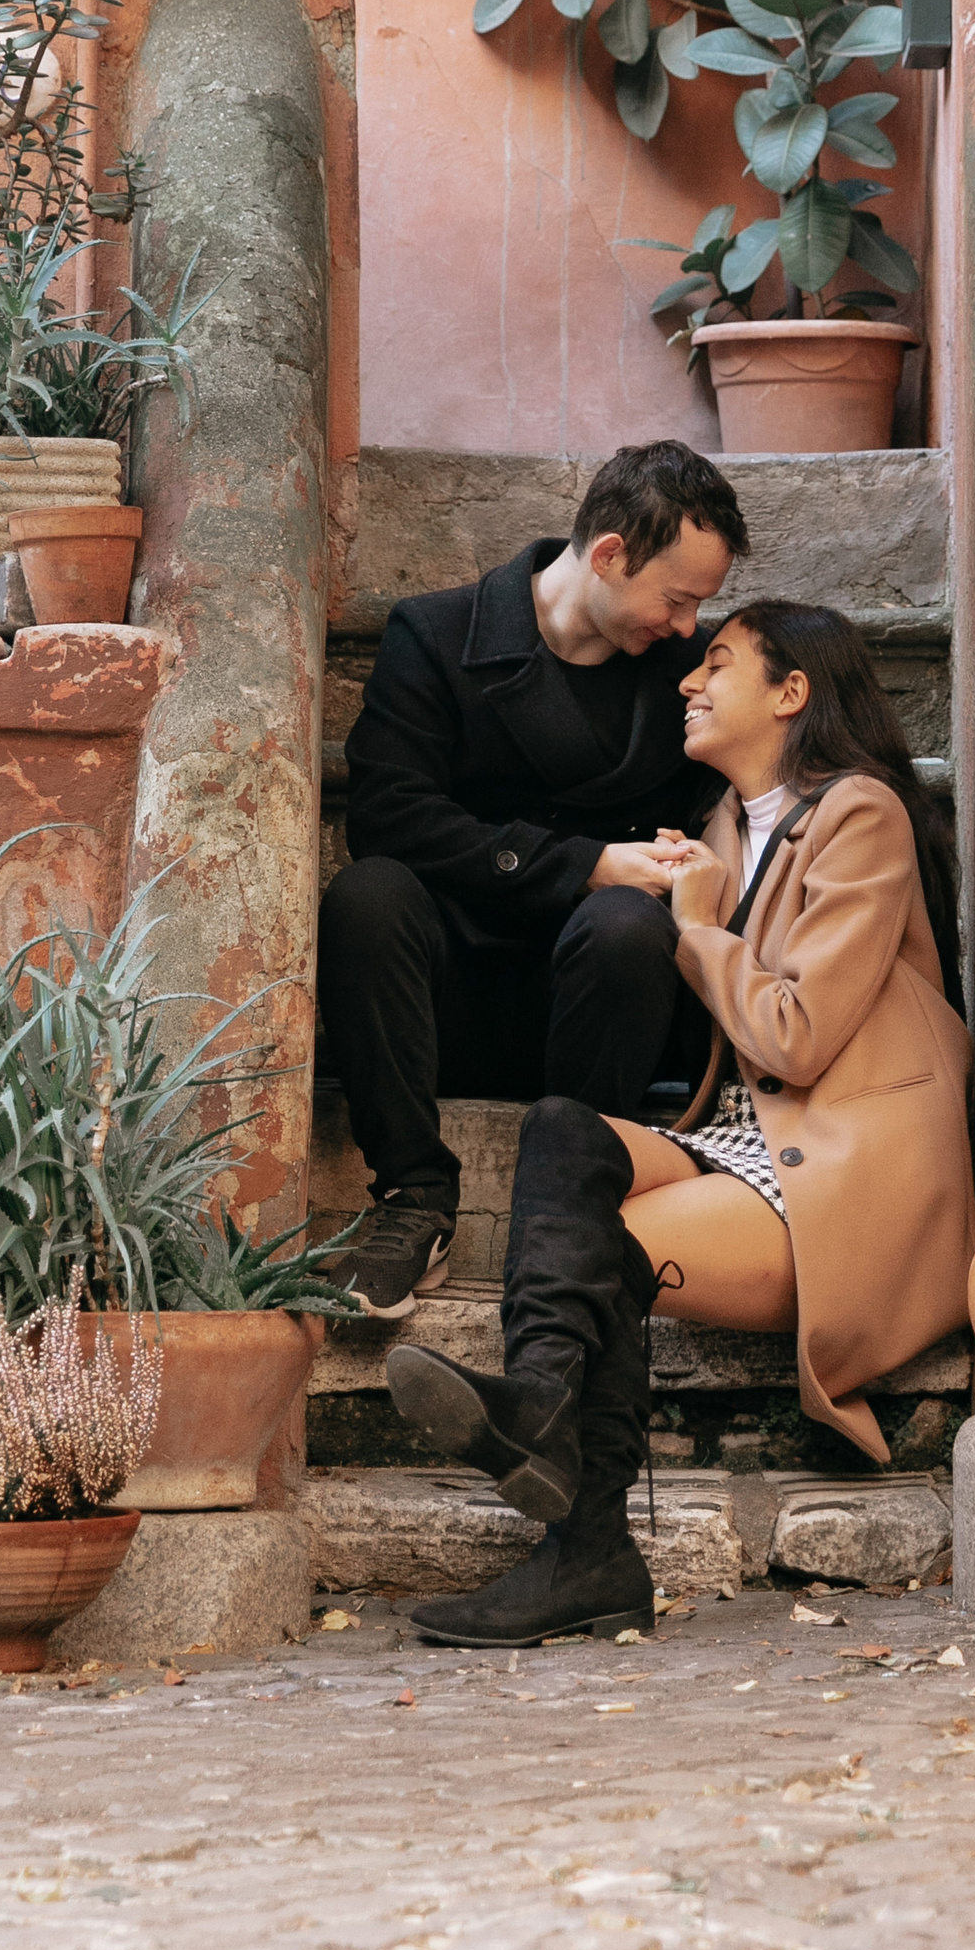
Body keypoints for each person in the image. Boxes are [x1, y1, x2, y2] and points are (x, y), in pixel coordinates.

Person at [383, 596, 975, 1646]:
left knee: (597, 1252)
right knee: (565, 1129)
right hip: (753, 1142)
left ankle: (585, 1550)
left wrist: (695, 930)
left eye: (720, 662)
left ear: (792, 693)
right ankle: (544, 1432)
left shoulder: (860, 814)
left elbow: (794, 1038)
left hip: (839, 1176)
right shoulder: (721, 830)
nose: (688, 682)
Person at [317, 440, 753, 1318]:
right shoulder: (437, 637)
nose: (684, 629)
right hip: (447, 998)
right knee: (368, 895)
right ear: (609, 555)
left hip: (604, 1009)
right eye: (677, 600)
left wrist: (698, 855)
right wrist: (583, 864)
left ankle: (563, 1213)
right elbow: (389, 815)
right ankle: (414, 1199)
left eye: (698, 609)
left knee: (630, 926)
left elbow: (759, 777)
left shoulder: (685, 672)